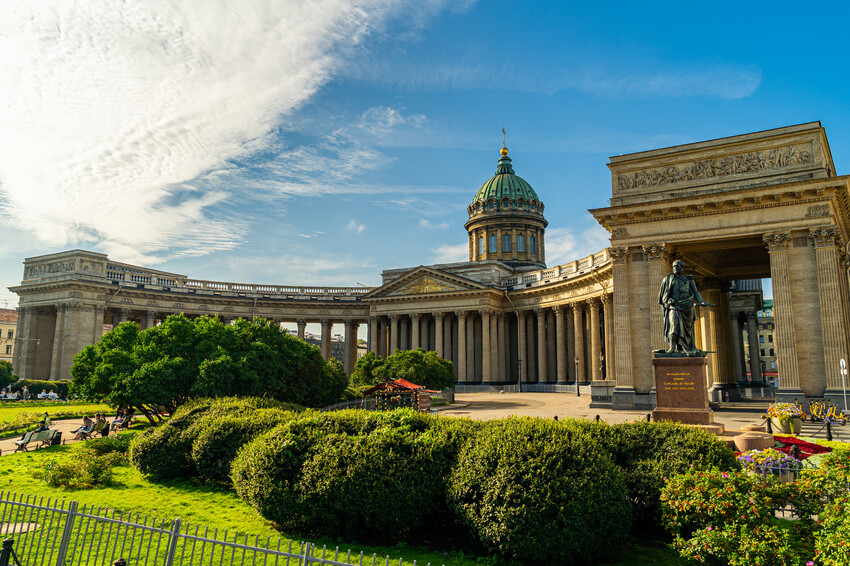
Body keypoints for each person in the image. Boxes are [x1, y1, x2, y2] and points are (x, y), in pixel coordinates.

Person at [657, 260, 708, 354]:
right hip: (674, 306)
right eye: (674, 266)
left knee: (687, 329)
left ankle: (686, 347)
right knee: (673, 326)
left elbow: (695, 291)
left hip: (687, 306)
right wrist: (668, 301)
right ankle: (672, 347)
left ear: (682, 267)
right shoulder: (668, 279)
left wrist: (701, 301)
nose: (675, 268)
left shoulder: (689, 279)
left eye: (677, 266)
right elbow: (663, 295)